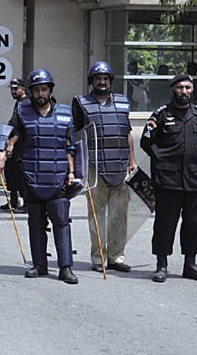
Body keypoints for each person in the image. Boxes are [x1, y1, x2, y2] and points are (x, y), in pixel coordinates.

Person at [0, 68, 78, 284]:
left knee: (61, 221)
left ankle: (66, 267)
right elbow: (7, 131)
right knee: (36, 223)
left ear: (50, 91)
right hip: (32, 175)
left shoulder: (65, 113)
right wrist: (1, 154)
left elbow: (72, 146)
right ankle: (39, 264)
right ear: (30, 92)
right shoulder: (23, 112)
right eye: (36, 90)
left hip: (58, 176)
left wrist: (73, 172)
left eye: (44, 89)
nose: (40, 94)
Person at [140, 73, 197, 283]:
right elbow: (147, 142)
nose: (184, 91)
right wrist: (163, 161)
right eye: (180, 87)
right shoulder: (161, 114)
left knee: (194, 224)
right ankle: (161, 265)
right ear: (173, 89)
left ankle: (190, 265)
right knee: (165, 224)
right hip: (167, 181)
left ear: (192, 90)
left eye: (188, 87)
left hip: (193, 180)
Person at [73, 61, 137, 273]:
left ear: (110, 81)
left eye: (106, 78)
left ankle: (116, 257)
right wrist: (75, 167)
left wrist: (132, 160)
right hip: (94, 166)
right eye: (98, 78)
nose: (102, 82)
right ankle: (99, 257)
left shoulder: (122, 103)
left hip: (119, 164)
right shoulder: (81, 103)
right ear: (92, 81)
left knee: (119, 215)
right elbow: (75, 137)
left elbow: (126, 133)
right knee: (97, 214)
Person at [0, 77, 27, 212]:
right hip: (15, 142)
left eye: (15, 89)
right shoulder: (19, 103)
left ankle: (26, 203)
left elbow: (17, 124)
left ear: (23, 89)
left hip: (22, 144)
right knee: (10, 171)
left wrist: (9, 141)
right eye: (11, 89)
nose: (13, 91)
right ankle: (14, 200)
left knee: (21, 174)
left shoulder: (25, 103)